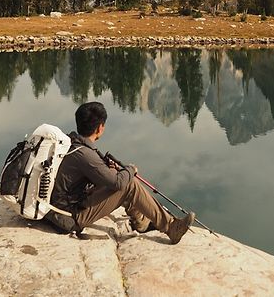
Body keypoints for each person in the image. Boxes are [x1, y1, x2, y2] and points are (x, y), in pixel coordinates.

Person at [46, 101, 195, 244]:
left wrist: (113, 171)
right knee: (128, 184)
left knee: (118, 178)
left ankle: (142, 223)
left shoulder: (71, 143)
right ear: (100, 128)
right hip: (67, 218)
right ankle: (170, 227)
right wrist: (130, 169)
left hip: (55, 210)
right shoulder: (85, 154)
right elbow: (118, 183)